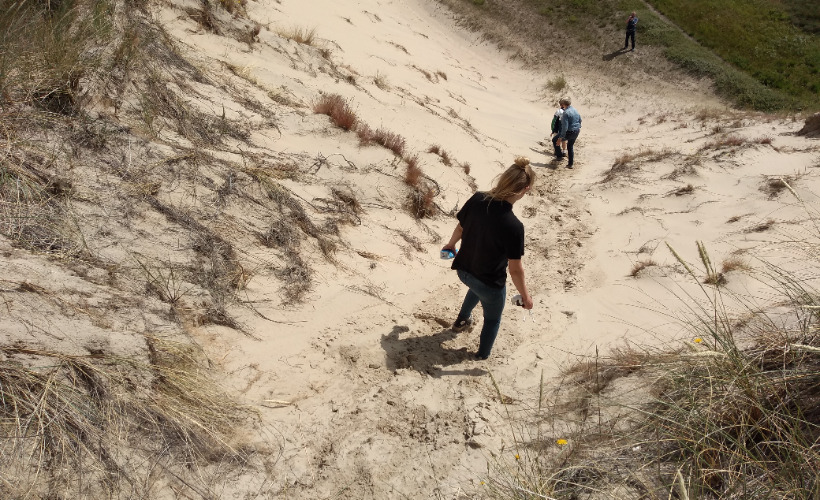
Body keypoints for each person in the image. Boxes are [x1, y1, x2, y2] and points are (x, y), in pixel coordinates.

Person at [441, 157, 535, 360]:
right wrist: (525, 297)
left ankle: (462, 321)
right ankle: (482, 356)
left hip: (464, 271)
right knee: (492, 320)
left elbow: (460, 227)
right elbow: (515, 269)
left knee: (475, 288)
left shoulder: (477, 199)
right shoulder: (514, 226)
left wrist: (451, 245)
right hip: (490, 284)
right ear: (524, 189)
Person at [557, 97, 581, 169]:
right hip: (577, 130)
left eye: (561, 104)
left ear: (563, 104)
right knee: (570, 146)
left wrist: (561, 137)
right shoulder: (575, 110)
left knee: (555, 140)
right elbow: (580, 120)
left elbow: (565, 127)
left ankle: (559, 156)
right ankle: (570, 164)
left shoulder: (566, 113)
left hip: (570, 132)